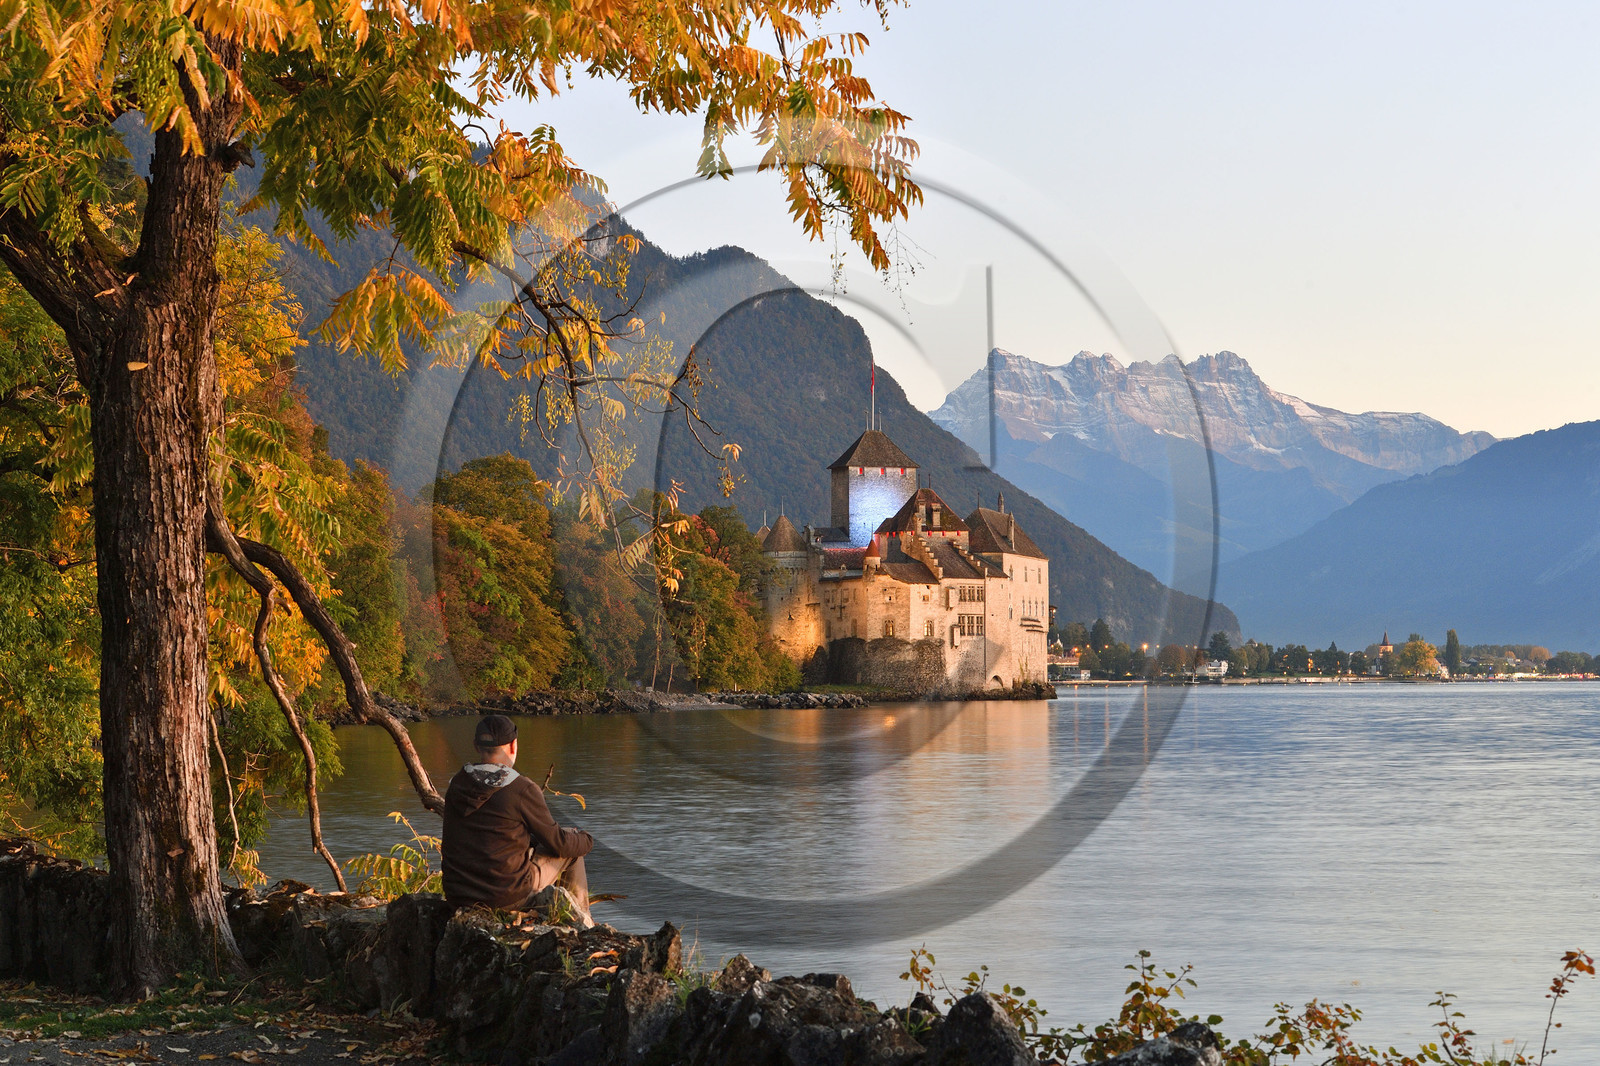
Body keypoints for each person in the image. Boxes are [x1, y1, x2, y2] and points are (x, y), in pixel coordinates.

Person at [441, 714, 595, 925]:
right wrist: (586, 840)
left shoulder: (456, 783)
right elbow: (560, 844)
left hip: (458, 897)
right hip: (505, 897)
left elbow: (495, 830)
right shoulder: (521, 788)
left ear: (476, 746)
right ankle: (582, 923)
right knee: (573, 849)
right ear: (513, 746)